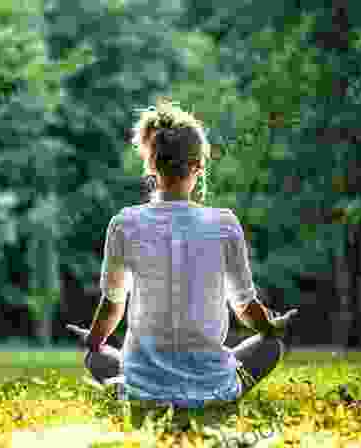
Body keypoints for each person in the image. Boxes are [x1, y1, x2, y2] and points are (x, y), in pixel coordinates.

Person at [70, 98, 297, 427]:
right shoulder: (224, 223)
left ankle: (141, 397)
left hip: (143, 388)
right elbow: (246, 307)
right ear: (197, 167)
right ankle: (215, 399)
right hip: (212, 386)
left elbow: (112, 306)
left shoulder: (125, 223)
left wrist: (93, 340)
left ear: (151, 167)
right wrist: (271, 327)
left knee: (97, 357)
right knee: (271, 347)